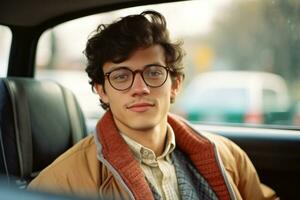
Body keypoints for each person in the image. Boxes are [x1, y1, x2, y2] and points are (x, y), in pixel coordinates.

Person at [29, 10, 278, 200]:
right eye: (121, 76)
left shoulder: (228, 155)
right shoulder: (61, 181)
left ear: (176, 84)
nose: (140, 88)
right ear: (102, 91)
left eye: (153, 72)